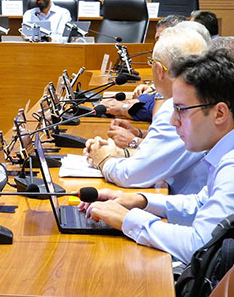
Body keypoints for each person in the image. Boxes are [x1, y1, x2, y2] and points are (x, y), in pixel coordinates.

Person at [81, 48, 234, 264]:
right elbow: (200, 203)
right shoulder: (227, 151)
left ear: (219, 113)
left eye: (181, 110)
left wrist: (127, 219)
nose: (173, 121)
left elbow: (199, 246)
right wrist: (140, 201)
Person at [84, 27, 208, 195]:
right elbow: (164, 157)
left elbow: (131, 176)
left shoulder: (178, 109)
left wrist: (103, 159)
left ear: (159, 70)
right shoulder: (207, 98)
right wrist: (121, 152)